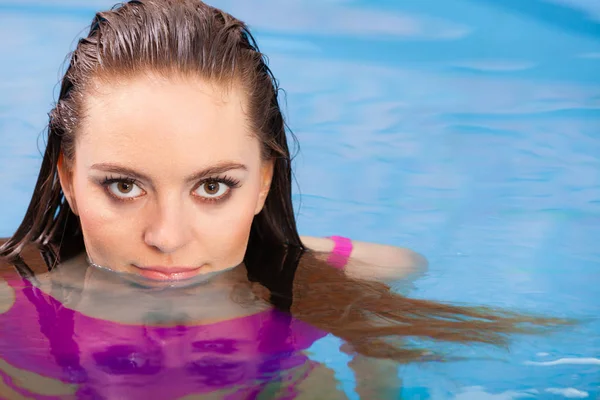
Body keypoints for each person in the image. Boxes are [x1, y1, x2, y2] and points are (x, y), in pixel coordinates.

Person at [0, 0, 562, 398]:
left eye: (213, 187)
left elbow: (402, 264)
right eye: (124, 186)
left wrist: (280, 252)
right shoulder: (9, 309)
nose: (167, 237)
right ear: (68, 178)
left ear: (263, 183)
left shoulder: (309, 289)